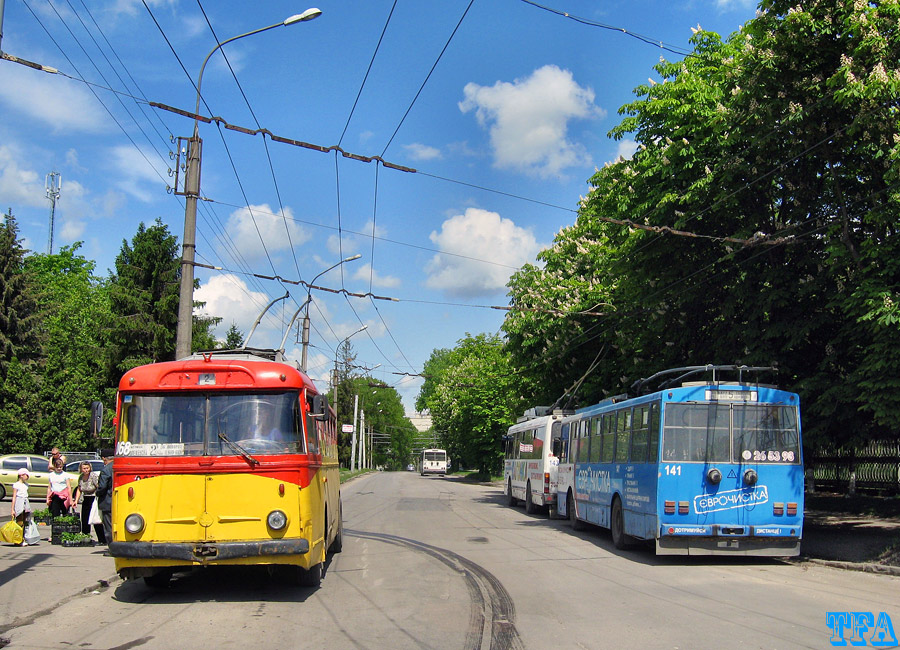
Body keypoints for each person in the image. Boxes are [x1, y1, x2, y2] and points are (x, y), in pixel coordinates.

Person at [72, 461, 105, 544]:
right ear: (81, 469)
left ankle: (102, 539)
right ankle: (86, 538)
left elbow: (99, 487)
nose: (86, 470)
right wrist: (76, 500)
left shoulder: (93, 476)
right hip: (86, 499)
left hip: (94, 498)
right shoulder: (81, 477)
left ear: (90, 468)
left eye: (87, 468)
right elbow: (79, 489)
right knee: (85, 519)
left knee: (95, 519)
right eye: (84, 468)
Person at [95, 448, 114, 549]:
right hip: (120, 502)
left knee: (109, 526)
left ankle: (111, 547)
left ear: (104, 458)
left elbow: (102, 487)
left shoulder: (106, 469)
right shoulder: (119, 466)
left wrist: (97, 493)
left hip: (107, 502)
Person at [11, 468, 32, 546]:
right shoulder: (16, 485)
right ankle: (18, 540)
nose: (27, 477)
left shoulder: (26, 485)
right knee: (19, 522)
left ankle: (22, 538)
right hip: (19, 502)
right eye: (26, 475)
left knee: (25, 521)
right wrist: (12, 509)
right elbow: (14, 497)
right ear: (21, 475)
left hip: (25, 502)